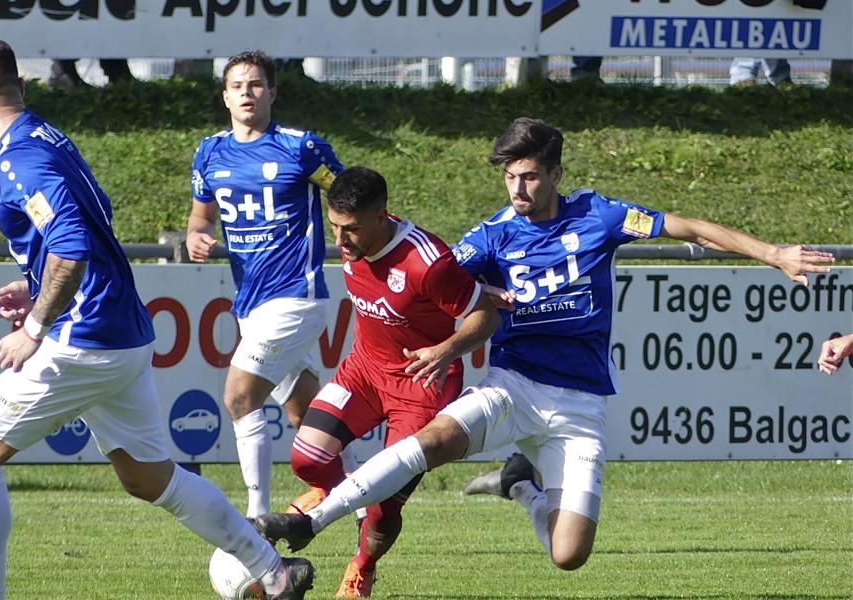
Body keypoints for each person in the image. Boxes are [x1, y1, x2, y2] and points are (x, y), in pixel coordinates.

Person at [253, 117, 835, 577]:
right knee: (431, 443)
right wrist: (448, 338)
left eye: (528, 175)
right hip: (513, 385)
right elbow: (441, 282)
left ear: (555, 173)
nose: (517, 187)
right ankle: (313, 520)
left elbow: (688, 227)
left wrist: (773, 253)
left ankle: (520, 485)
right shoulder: (492, 234)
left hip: (579, 406)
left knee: (568, 556)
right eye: (509, 176)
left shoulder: (602, 216)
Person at [0, 38, 313, 600]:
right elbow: (90, 225)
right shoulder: (47, 136)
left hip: (83, 338)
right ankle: (273, 572)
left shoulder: (21, 158)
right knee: (150, 478)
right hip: (121, 333)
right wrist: (35, 283)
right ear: (21, 86)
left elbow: (71, 246)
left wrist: (34, 326)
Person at [277, 167, 500, 597]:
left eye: (352, 230)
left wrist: (445, 350)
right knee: (306, 459)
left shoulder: (425, 260)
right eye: (335, 227)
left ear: (382, 216)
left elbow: (484, 316)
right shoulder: (352, 240)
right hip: (364, 369)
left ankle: (363, 566)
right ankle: (335, 494)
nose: (340, 241)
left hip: (421, 385)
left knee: (381, 512)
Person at [186, 49, 356, 519]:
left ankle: (256, 516)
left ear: (272, 93)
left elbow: (348, 199)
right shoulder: (209, 152)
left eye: (256, 84)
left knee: (240, 395)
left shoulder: (301, 147)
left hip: (295, 297)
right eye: (238, 85)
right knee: (306, 414)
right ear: (225, 96)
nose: (247, 92)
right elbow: (200, 219)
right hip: (250, 304)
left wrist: (353, 240)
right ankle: (363, 492)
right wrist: (198, 237)